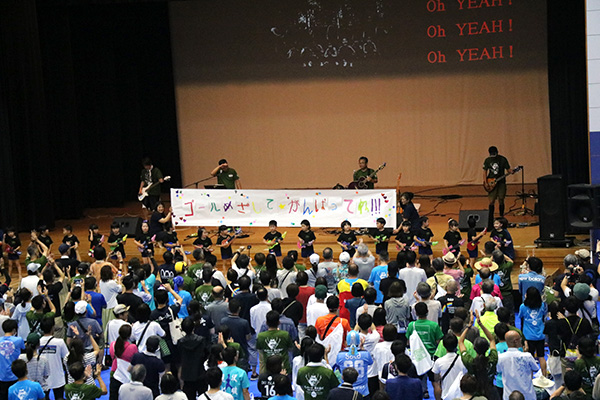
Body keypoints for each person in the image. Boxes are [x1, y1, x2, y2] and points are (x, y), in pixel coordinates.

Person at [497, 331, 539, 400]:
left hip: (509, 395)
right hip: (528, 395)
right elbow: (535, 368)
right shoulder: (527, 356)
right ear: (516, 341)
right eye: (520, 339)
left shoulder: (501, 357)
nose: (521, 340)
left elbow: (498, 370)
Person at [519, 286, 547, 377]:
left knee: (529, 358)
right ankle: (544, 376)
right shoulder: (542, 305)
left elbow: (521, 317)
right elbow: (543, 315)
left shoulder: (523, 307)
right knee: (541, 356)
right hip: (540, 335)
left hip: (528, 336)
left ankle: (530, 379)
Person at [483, 146, 514, 229]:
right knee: (491, 200)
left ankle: (501, 217)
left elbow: (508, 169)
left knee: (501, 199)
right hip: (491, 182)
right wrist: (485, 182)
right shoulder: (487, 160)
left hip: (501, 182)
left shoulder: (503, 159)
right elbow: (485, 171)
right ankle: (490, 218)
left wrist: (511, 171)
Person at [38, 317, 68, 400]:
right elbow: (66, 357)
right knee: (59, 397)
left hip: (42, 377)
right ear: (53, 327)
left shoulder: (38, 342)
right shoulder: (60, 342)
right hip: (58, 377)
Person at [432, 334, 467, 400]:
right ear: (456, 344)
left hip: (445, 396)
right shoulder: (463, 360)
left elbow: (436, 379)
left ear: (444, 346)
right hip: (461, 395)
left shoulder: (439, 362)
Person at [0, 320, 26, 400]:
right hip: (16, 374)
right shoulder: (18, 340)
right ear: (14, 330)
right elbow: (24, 350)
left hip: (2, 376)